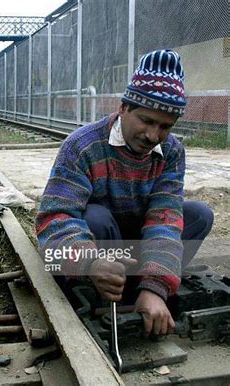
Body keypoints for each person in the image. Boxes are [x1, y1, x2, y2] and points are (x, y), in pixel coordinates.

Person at [36, 49, 214, 337]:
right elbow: (54, 217)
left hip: (138, 241)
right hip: (99, 242)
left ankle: (141, 286)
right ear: (123, 108)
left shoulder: (172, 152)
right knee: (95, 217)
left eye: (165, 126)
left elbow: (164, 218)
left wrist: (156, 286)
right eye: (146, 120)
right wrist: (90, 262)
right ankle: (99, 285)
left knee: (198, 215)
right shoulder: (82, 146)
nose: (153, 135)